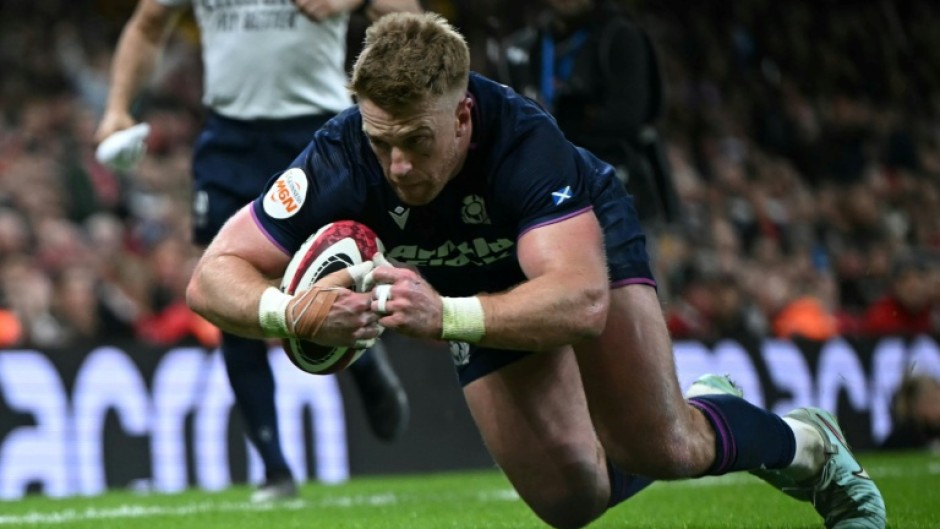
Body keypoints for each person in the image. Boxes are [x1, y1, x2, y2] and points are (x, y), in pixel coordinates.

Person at [186, 12, 887, 528]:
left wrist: (448, 315)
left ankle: (810, 446)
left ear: (461, 116)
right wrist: (287, 310)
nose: (397, 165)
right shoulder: (340, 155)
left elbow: (580, 301)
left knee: (667, 446)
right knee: (571, 501)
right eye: (381, 142)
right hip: (468, 284)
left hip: (571, 249)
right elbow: (212, 274)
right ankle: (706, 401)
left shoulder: (524, 143)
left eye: (415, 141)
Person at [95, 0, 420, 502]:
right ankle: (273, 467)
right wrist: (117, 108)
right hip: (230, 138)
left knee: (338, 266)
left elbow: (410, 21)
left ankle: (361, 356)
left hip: (318, 131)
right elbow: (147, 23)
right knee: (228, 289)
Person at [488, 0, 680, 224]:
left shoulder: (619, 37)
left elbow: (628, 117)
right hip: (548, 193)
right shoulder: (523, 49)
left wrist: (562, 123)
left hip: (614, 191)